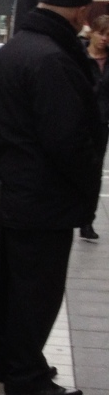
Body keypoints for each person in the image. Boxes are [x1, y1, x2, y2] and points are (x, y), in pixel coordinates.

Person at [0, 0, 104, 395]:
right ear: (79, 11)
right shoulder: (53, 58)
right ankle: (25, 375)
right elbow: (67, 139)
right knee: (37, 291)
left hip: (14, 190)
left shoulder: (14, 50)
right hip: (44, 197)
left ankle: (15, 363)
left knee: (14, 289)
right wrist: (86, 185)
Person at [83, 14, 109, 240]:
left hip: (101, 124)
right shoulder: (78, 57)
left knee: (94, 172)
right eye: (101, 33)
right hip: (78, 121)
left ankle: (87, 221)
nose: (104, 39)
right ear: (92, 32)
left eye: (108, 36)